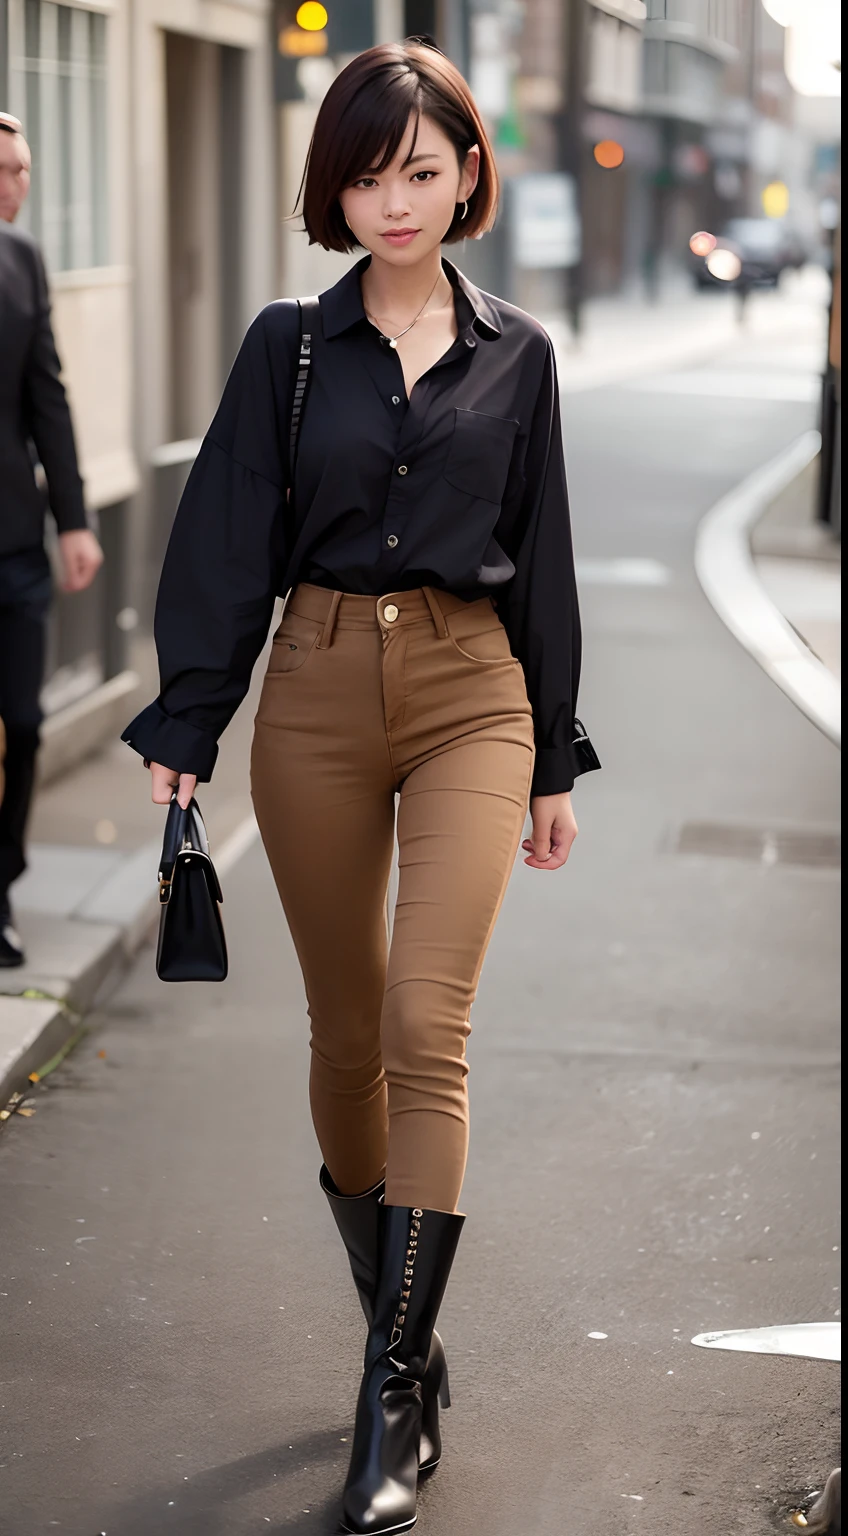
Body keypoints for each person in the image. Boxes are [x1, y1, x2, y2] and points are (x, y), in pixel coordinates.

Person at [122, 39, 600, 1534]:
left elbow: (550, 562)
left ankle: (389, 1388)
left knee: (421, 1026)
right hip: (318, 689)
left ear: (468, 177)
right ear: (333, 183)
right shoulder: (291, 346)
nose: (396, 198)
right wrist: (187, 722)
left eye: (424, 168)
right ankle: (413, 1317)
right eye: (368, 170)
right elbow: (226, 537)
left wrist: (557, 752)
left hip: (475, 694)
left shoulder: (518, 355)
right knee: (343, 1041)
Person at [0, 113, 103, 967]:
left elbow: (49, 398)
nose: (15, 185)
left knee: (25, 723)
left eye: (23, 170)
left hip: (14, 541)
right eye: (2, 170)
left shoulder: (24, 260)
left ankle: (0, 883)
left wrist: (73, 518)